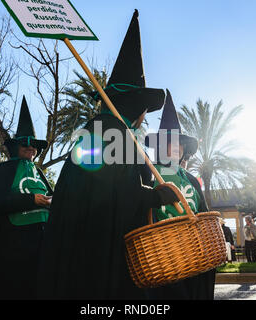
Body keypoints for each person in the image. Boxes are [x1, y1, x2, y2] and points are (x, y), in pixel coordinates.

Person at [37, 10, 180, 300]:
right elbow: (113, 195)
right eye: (143, 109)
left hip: (85, 248)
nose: (144, 117)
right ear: (134, 106)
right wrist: (156, 197)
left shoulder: (100, 130)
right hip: (99, 254)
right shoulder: (111, 132)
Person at [144, 89, 217, 300]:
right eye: (168, 142)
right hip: (160, 254)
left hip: (193, 252)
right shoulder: (147, 172)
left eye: (178, 143)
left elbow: (202, 211)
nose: (174, 147)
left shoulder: (191, 179)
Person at [0, 97, 53, 300]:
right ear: (15, 147)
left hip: (41, 243)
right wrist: (30, 200)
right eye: (25, 144)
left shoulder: (39, 172)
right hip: (14, 245)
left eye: (34, 145)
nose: (31, 148)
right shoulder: (2, 170)